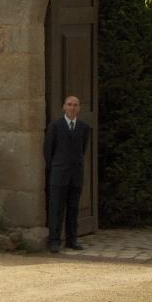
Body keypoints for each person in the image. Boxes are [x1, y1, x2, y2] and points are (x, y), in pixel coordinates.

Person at [43, 96, 91, 253]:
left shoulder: (84, 127)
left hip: (76, 174)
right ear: (64, 106)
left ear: (79, 108)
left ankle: (71, 240)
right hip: (59, 173)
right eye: (69, 105)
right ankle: (54, 240)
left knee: (73, 208)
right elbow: (48, 150)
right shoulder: (55, 126)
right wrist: (56, 167)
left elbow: (82, 149)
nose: (72, 108)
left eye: (75, 105)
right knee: (56, 208)